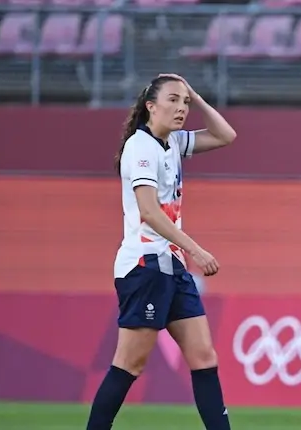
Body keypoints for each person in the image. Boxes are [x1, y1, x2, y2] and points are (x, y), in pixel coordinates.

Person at [86, 74, 237, 430]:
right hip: (145, 264)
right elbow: (149, 212)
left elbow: (225, 135)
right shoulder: (140, 147)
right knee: (129, 364)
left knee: (204, 357)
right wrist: (196, 250)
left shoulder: (172, 143)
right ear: (150, 106)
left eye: (184, 102)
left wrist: (197, 96)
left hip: (172, 265)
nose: (181, 108)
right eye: (173, 100)